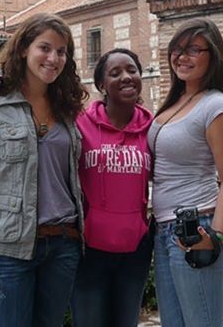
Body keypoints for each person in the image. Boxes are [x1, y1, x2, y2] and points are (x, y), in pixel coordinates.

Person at [0, 12, 88, 327]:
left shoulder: (67, 112)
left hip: (63, 244)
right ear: (23, 50)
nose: (53, 58)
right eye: (44, 48)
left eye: (61, 51)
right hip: (10, 252)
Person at [147, 18, 223, 327]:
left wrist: (213, 236)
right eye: (177, 49)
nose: (181, 56)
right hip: (165, 230)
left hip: (196, 227)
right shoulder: (176, 101)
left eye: (193, 49)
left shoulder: (216, 107)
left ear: (212, 56)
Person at [71, 48, 153, 327]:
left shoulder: (152, 129)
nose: (126, 77)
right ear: (101, 85)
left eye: (132, 70)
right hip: (89, 251)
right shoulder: (80, 125)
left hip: (135, 252)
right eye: (115, 73)